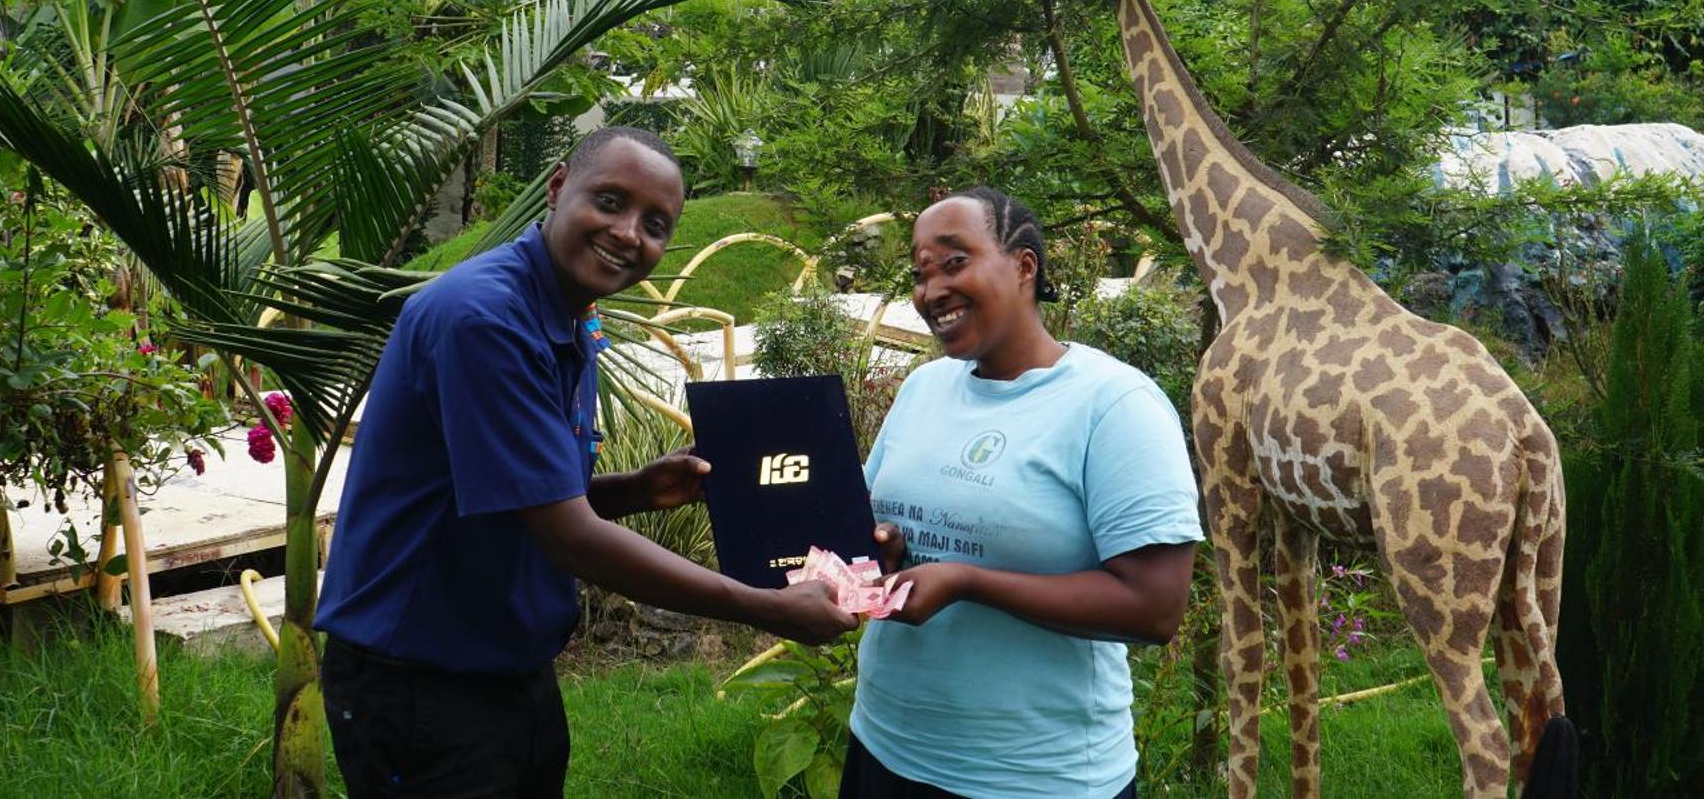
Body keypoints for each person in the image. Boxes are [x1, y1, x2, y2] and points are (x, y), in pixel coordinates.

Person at [314, 125, 854, 799]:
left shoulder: (569, 317)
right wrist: (767, 607)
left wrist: (632, 489)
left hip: (507, 669)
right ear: (558, 186)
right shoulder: (485, 319)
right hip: (420, 679)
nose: (630, 233)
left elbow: (520, 496)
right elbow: (567, 536)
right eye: (610, 201)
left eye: (655, 224)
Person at [843, 187, 1203, 799]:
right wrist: (885, 547)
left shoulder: (1114, 405)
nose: (931, 291)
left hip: (1036, 777)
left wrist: (966, 583)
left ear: (1024, 266)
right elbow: (875, 523)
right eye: (920, 273)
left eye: (955, 263)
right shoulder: (924, 388)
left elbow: (1154, 609)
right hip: (885, 746)